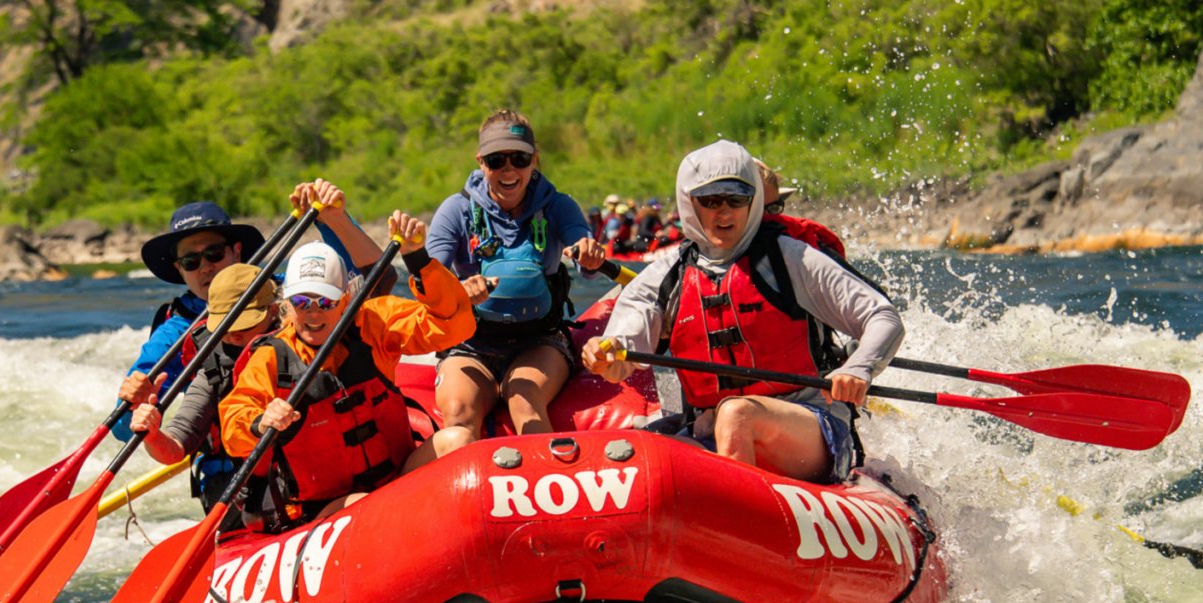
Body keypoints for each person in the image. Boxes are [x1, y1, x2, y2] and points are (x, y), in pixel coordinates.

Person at [582, 140, 903, 483]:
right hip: (709, 428)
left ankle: (740, 522)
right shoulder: (667, 274)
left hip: (810, 424)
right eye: (710, 201)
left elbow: (883, 318)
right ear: (690, 204)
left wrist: (858, 368)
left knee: (736, 415)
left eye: (736, 199)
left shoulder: (791, 258)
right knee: (639, 450)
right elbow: (621, 353)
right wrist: (607, 355)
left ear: (753, 201)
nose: (725, 212)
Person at [220, 214, 477, 528]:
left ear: (344, 300)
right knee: (365, 505)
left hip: (395, 479)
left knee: (459, 438)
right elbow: (234, 419)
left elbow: (454, 325)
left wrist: (417, 258)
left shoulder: (372, 323)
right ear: (288, 305)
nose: (313, 312)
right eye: (302, 301)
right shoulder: (272, 358)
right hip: (326, 508)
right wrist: (261, 422)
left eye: (325, 302)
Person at [113, 180, 393, 441]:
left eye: (214, 254)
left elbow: (375, 279)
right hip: (240, 459)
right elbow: (124, 432)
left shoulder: (288, 294)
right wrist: (135, 408)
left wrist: (334, 219)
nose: (206, 267)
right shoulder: (173, 334)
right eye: (190, 261)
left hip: (322, 430)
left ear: (236, 251)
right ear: (179, 269)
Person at [425, 109, 605, 439]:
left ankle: (547, 478)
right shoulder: (456, 210)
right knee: (457, 413)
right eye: (497, 160)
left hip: (538, 342)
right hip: (470, 345)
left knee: (524, 400)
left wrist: (588, 253)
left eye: (519, 159)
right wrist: (458, 291)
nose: (508, 169)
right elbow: (428, 283)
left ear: (535, 160)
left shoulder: (558, 206)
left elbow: (584, 252)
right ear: (481, 162)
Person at [123, 262, 281, 526]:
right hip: (260, 497)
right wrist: (152, 435)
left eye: (244, 325)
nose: (234, 335)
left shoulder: (307, 337)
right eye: (226, 326)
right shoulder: (214, 367)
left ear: (274, 311)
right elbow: (174, 448)